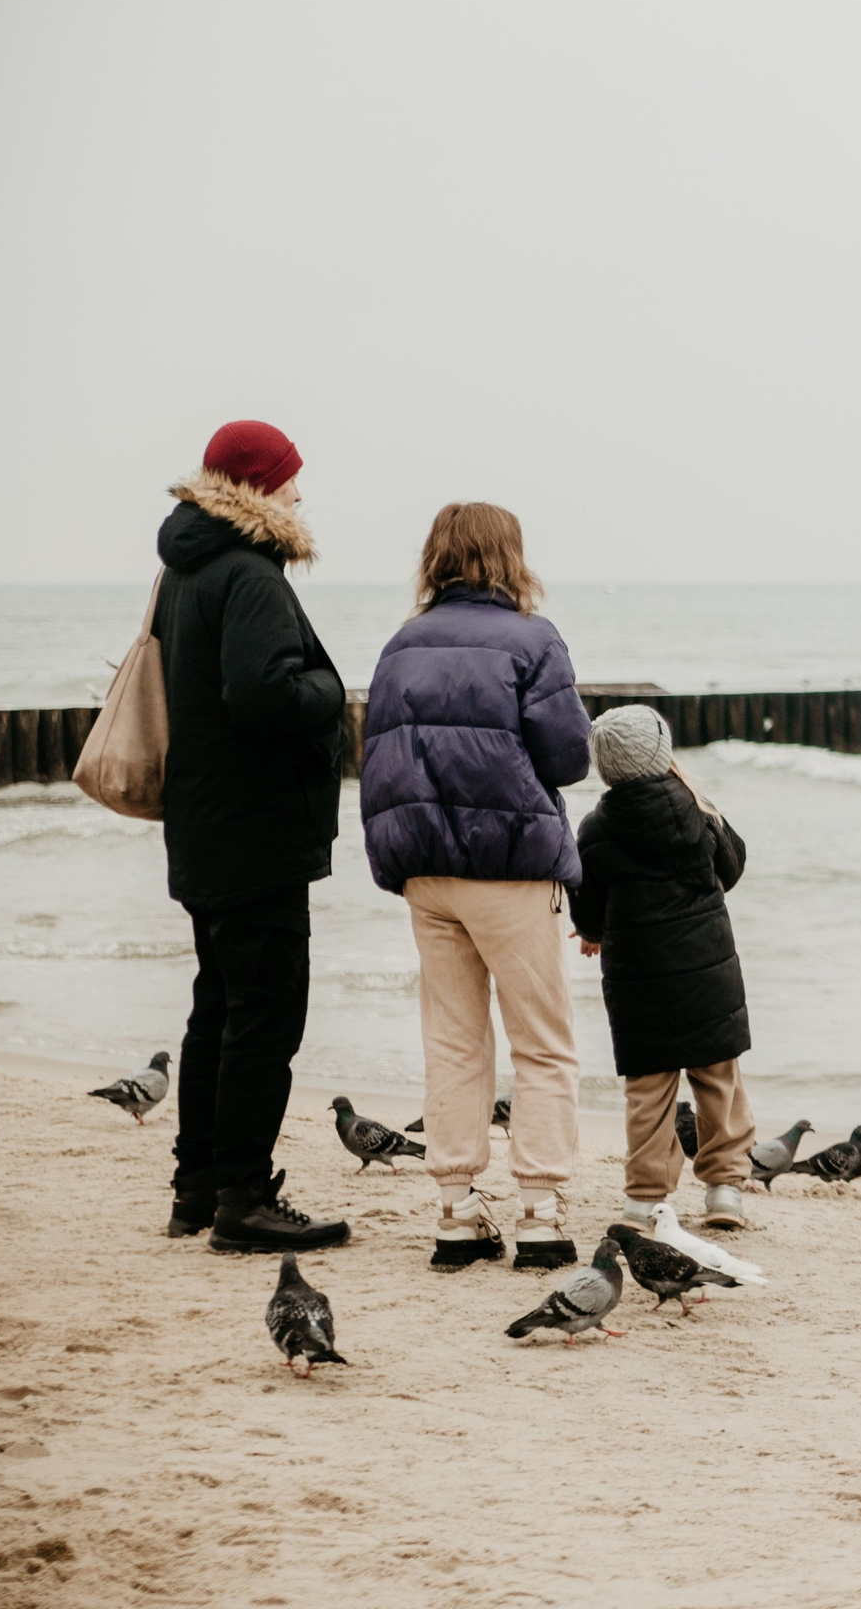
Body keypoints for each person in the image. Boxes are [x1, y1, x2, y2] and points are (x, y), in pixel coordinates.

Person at [358, 503, 593, 1271]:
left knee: (453, 1041)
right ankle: (541, 1213)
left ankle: (456, 1212)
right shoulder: (533, 639)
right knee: (543, 1045)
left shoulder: (400, 645)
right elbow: (566, 759)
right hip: (510, 865)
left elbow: (380, 760)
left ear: (436, 558)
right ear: (509, 556)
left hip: (425, 870)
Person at [154, 419, 352, 1252]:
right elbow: (262, 695)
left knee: (218, 1009)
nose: (300, 493)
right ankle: (243, 1197)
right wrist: (330, 692)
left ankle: (196, 1187)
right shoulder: (252, 575)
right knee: (265, 1020)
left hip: (203, 824)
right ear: (256, 486)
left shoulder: (183, 570)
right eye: (289, 479)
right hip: (256, 833)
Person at [569, 706, 757, 1230]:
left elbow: (586, 904)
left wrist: (592, 934)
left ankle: (643, 1197)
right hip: (708, 977)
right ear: (663, 754)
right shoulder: (698, 811)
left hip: (638, 989)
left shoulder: (596, 829)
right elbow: (733, 867)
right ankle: (724, 1191)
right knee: (719, 1082)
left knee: (648, 1094)